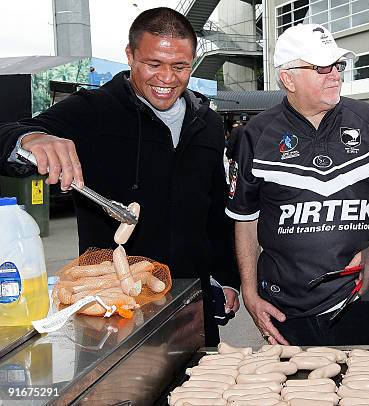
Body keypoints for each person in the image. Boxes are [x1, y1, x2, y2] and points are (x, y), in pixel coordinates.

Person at [0, 7, 240, 346]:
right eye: (153, 64)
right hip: (112, 307)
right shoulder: (94, 110)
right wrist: (30, 139)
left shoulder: (209, 124)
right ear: (130, 55)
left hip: (192, 299)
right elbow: (10, 134)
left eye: (180, 66)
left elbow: (216, 211)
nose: (167, 78)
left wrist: (227, 279)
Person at [226, 23, 369, 346]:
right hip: (289, 312)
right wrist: (250, 293)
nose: (336, 74)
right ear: (288, 78)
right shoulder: (256, 134)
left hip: (366, 303)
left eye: (337, 65)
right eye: (321, 67)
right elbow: (246, 221)